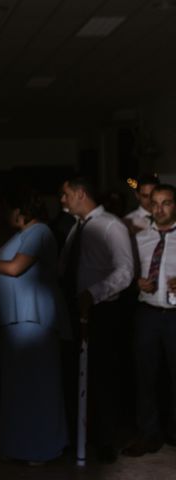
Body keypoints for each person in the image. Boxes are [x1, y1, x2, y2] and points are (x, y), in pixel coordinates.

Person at [0, 190, 71, 464]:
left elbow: (15, 268)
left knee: (38, 386)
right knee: (19, 388)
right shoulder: (20, 234)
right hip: (15, 319)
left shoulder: (40, 231)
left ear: (21, 209)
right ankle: (21, 446)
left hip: (33, 318)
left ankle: (43, 447)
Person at [60, 176, 134, 463]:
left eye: (65, 194)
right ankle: (79, 435)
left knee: (103, 377)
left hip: (101, 310)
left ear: (80, 193)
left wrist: (92, 294)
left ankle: (105, 441)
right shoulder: (76, 228)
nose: (63, 201)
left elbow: (125, 271)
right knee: (73, 375)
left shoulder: (111, 226)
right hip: (73, 309)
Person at [123, 184, 176, 456]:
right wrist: (136, 283)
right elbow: (125, 272)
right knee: (145, 376)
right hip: (148, 313)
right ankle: (149, 433)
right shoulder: (140, 239)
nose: (159, 208)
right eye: (155, 203)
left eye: (166, 203)